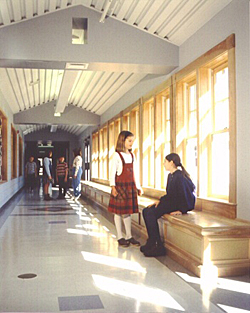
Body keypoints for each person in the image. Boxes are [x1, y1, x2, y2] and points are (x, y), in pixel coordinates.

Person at [141, 153, 196, 257]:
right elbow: (170, 194)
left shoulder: (180, 176)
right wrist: (160, 201)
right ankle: (152, 241)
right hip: (172, 202)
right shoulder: (171, 175)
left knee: (150, 214)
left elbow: (186, 195)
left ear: (171, 163)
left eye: (165, 162)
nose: (163, 164)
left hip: (177, 205)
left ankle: (158, 246)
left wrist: (182, 210)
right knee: (146, 211)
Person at [108, 130, 142, 247]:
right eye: (129, 141)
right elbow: (112, 173)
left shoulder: (132, 156)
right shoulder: (117, 155)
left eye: (132, 141)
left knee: (127, 213)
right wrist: (113, 187)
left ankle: (129, 236)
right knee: (118, 212)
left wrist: (138, 186)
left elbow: (135, 173)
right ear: (123, 140)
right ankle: (120, 236)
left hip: (130, 186)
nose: (131, 143)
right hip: (120, 187)